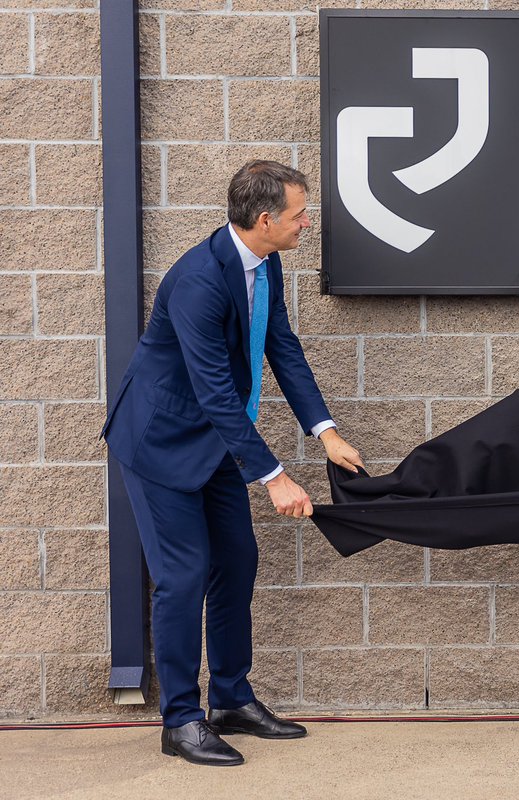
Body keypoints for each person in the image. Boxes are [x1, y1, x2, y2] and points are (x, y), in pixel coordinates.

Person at [103, 161, 365, 766]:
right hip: (163, 443)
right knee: (184, 575)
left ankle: (230, 698)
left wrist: (324, 431)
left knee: (237, 560)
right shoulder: (198, 280)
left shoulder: (264, 260)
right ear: (266, 219)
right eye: (301, 213)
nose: (308, 222)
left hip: (218, 439)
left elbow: (283, 347)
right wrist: (273, 476)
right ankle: (182, 720)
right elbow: (214, 390)